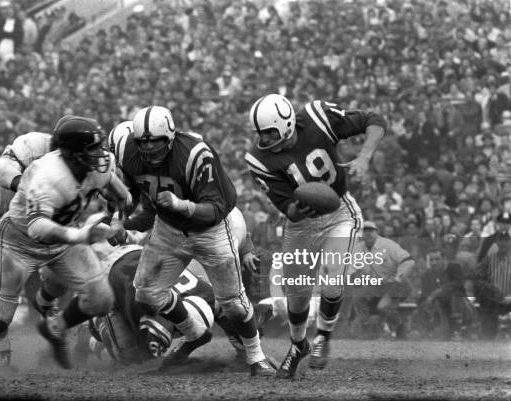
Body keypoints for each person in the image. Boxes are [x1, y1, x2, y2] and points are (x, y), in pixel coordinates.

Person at [0, 115, 131, 376]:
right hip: (20, 240)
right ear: (72, 153)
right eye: (91, 149)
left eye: (99, 147)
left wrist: (117, 221)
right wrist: (82, 235)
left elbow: (122, 195)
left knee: (102, 300)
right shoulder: (45, 174)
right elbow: (36, 227)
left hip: (64, 237)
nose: (100, 155)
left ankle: (57, 327)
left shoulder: (101, 163)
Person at [117, 106, 274, 376]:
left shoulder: (194, 154)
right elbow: (135, 201)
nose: (149, 149)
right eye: (143, 143)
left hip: (210, 230)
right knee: (146, 293)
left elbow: (214, 209)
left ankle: (256, 357)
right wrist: (119, 224)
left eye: (155, 142)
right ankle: (195, 334)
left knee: (232, 303)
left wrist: (181, 205)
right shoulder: (128, 153)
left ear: (170, 136)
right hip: (168, 230)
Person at [245, 94, 385, 378]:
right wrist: (301, 205)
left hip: (340, 212)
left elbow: (374, 120)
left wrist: (364, 158)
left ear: (286, 123)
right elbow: (290, 211)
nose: (265, 139)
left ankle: (323, 336)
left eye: (270, 131)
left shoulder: (318, 118)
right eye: (261, 134)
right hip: (301, 224)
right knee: (296, 297)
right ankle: (299, 345)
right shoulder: (259, 159)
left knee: (334, 277)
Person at [79, 208, 267, 367]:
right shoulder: (204, 297)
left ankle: (95, 331)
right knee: (128, 358)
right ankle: (92, 338)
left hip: (136, 266)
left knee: (134, 357)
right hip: (123, 271)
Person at [0, 131, 58, 367]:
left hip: (28, 219)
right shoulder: (32, 144)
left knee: (54, 274)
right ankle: (2, 352)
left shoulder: (75, 162)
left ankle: (49, 317)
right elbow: (0, 169)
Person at [350, 221, 415, 339]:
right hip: (379, 286)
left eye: (371, 230)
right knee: (358, 296)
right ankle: (366, 329)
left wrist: (399, 277)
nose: (368, 233)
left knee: (382, 307)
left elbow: (409, 261)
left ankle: (401, 329)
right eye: (365, 230)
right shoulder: (358, 249)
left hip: (397, 284)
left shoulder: (388, 245)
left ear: (377, 232)